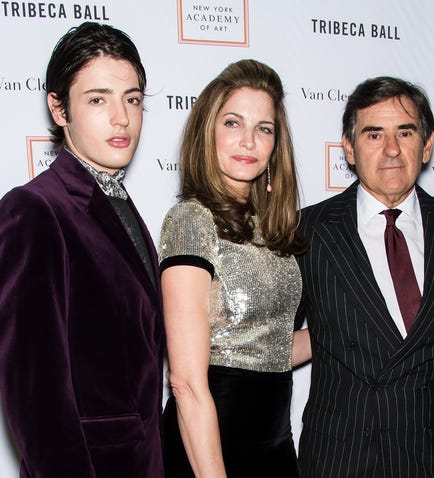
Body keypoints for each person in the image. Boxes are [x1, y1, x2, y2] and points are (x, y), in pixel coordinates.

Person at [0, 22, 165, 477]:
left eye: (132, 99)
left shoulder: (121, 206)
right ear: (59, 108)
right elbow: (37, 400)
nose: (121, 118)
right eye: (98, 99)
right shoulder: (33, 210)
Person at [295, 75, 434, 478]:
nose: (392, 149)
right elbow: (273, 348)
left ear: (427, 145)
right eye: (374, 134)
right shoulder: (306, 232)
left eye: (405, 132)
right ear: (349, 147)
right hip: (340, 462)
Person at [158, 59, 311, 478]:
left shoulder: (272, 229)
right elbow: (187, 383)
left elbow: (268, 347)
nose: (249, 141)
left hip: (276, 444)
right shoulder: (191, 220)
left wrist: (344, 332)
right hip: (210, 447)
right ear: (208, 129)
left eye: (264, 128)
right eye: (232, 123)